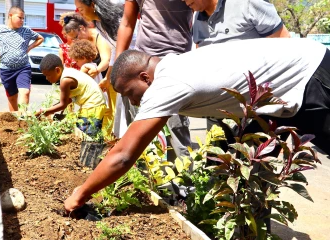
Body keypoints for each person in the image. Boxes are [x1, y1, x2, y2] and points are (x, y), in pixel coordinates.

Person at [64, 38, 330, 212]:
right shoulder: (173, 65)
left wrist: (81, 193)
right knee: (247, 170)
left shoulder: (170, 83)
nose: (132, 102)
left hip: (313, 74)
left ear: (145, 77)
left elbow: (124, 156)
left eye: (129, 93)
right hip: (283, 92)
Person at [187, 0, 291, 132]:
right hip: (217, 109)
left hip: (255, 108)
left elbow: (284, 44)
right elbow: (201, 53)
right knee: (216, 151)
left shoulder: (247, 3)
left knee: (253, 151)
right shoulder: (197, 16)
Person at [115, 0, 193, 161]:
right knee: (140, 126)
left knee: (176, 127)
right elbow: (127, 23)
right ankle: (145, 177)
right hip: (142, 63)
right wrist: (118, 66)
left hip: (176, 62)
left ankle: (184, 180)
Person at [74, 0, 137, 138]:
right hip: (124, 71)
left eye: (81, 8)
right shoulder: (99, 24)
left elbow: (129, 46)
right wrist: (108, 78)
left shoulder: (117, 19)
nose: (80, 12)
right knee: (126, 115)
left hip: (136, 70)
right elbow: (116, 50)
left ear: (92, 5)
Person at [0, 6, 44, 111]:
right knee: (12, 98)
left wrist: (29, 48)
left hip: (23, 68)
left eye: (23, 18)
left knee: (25, 93)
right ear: (10, 16)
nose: (22, 21)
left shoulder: (26, 31)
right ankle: (15, 122)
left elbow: (40, 38)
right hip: (6, 70)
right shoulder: (0, 31)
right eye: (20, 17)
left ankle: (23, 120)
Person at [37, 53, 106, 137]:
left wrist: (44, 112)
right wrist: (50, 109)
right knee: (88, 132)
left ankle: (93, 149)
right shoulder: (67, 72)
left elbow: (63, 105)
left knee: (87, 135)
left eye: (48, 75)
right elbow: (68, 100)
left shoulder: (66, 80)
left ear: (57, 70)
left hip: (93, 106)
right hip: (95, 104)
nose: (46, 79)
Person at [68, 39, 112, 138]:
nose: (76, 63)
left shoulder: (85, 67)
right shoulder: (94, 66)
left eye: (77, 60)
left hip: (93, 104)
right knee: (97, 128)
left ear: (83, 57)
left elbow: (79, 81)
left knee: (87, 131)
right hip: (101, 102)